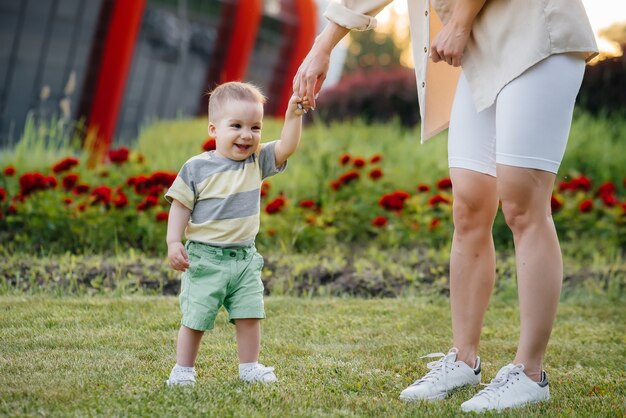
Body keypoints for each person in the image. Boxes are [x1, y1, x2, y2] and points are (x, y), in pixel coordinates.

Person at [293, 0, 597, 412]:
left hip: (535, 33)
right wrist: (323, 44)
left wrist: (460, 22)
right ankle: (464, 358)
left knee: (523, 206)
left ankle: (529, 373)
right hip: (477, 49)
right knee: (470, 204)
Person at [164, 81, 309, 386]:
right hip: (205, 258)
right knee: (196, 317)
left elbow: (286, 147)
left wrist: (293, 117)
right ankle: (183, 370)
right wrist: (174, 241)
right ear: (214, 129)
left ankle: (250, 367)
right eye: (237, 126)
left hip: (244, 259)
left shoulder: (257, 162)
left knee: (249, 314)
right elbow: (180, 206)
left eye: (255, 127)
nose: (247, 135)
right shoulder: (196, 168)